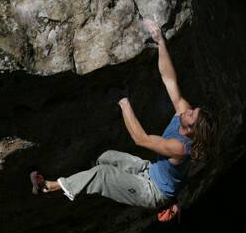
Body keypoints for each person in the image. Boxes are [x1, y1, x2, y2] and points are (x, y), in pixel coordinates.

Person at [30, 19, 219, 209]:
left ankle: (49, 186)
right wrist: (160, 41)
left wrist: (124, 103)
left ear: (191, 130)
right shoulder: (183, 111)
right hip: (149, 169)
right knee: (106, 157)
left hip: (152, 190)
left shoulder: (180, 147)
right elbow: (169, 79)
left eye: (192, 114)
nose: (189, 109)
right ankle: (86, 180)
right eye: (194, 110)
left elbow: (141, 139)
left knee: (103, 174)